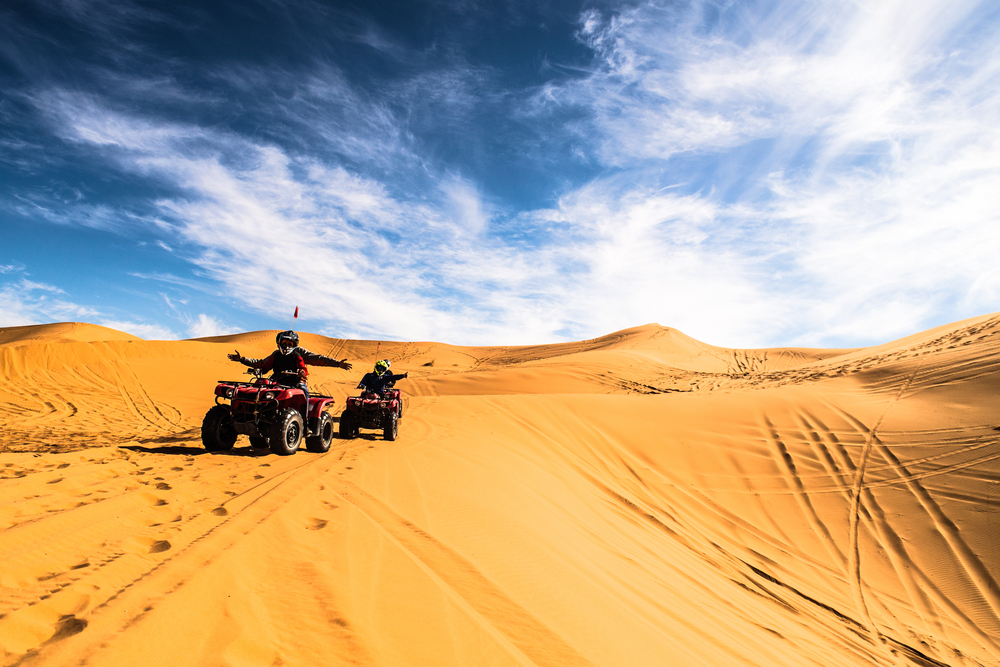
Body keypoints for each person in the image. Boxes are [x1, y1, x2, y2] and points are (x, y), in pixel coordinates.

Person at [227, 330, 353, 433]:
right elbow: (261, 364)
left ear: (294, 345)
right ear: (279, 342)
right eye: (285, 342)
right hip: (277, 383)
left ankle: (306, 422)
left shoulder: (300, 354)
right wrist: (242, 359)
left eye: (290, 344)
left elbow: (318, 359)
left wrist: (337, 364)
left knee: (304, 393)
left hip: (296, 383)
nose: (287, 346)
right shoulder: (276, 355)